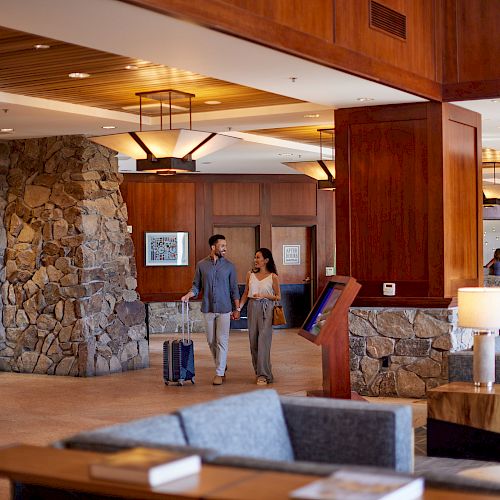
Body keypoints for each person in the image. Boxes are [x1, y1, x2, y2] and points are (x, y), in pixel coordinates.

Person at [181, 234, 240, 385]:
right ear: (213, 247)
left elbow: (234, 289)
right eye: (222, 246)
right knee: (211, 340)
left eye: (225, 246)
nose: (225, 248)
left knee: (222, 340)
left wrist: (237, 308)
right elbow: (196, 286)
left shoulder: (229, 266)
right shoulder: (201, 265)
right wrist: (189, 294)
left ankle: (219, 373)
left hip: (225, 309)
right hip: (208, 308)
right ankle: (222, 363)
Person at [238, 248, 280, 385]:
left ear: (266, 260)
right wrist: (238, 308)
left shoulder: (273, 277)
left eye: (258, 257)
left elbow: (278, 296)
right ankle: (260, 372)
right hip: (252, 307)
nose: (255, 260)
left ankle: (263, 375)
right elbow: (246, 293)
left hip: (267, 308)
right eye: (255, 257)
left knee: (264, 341)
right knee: (253, 341)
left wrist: (264, 296)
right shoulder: (249, 274)